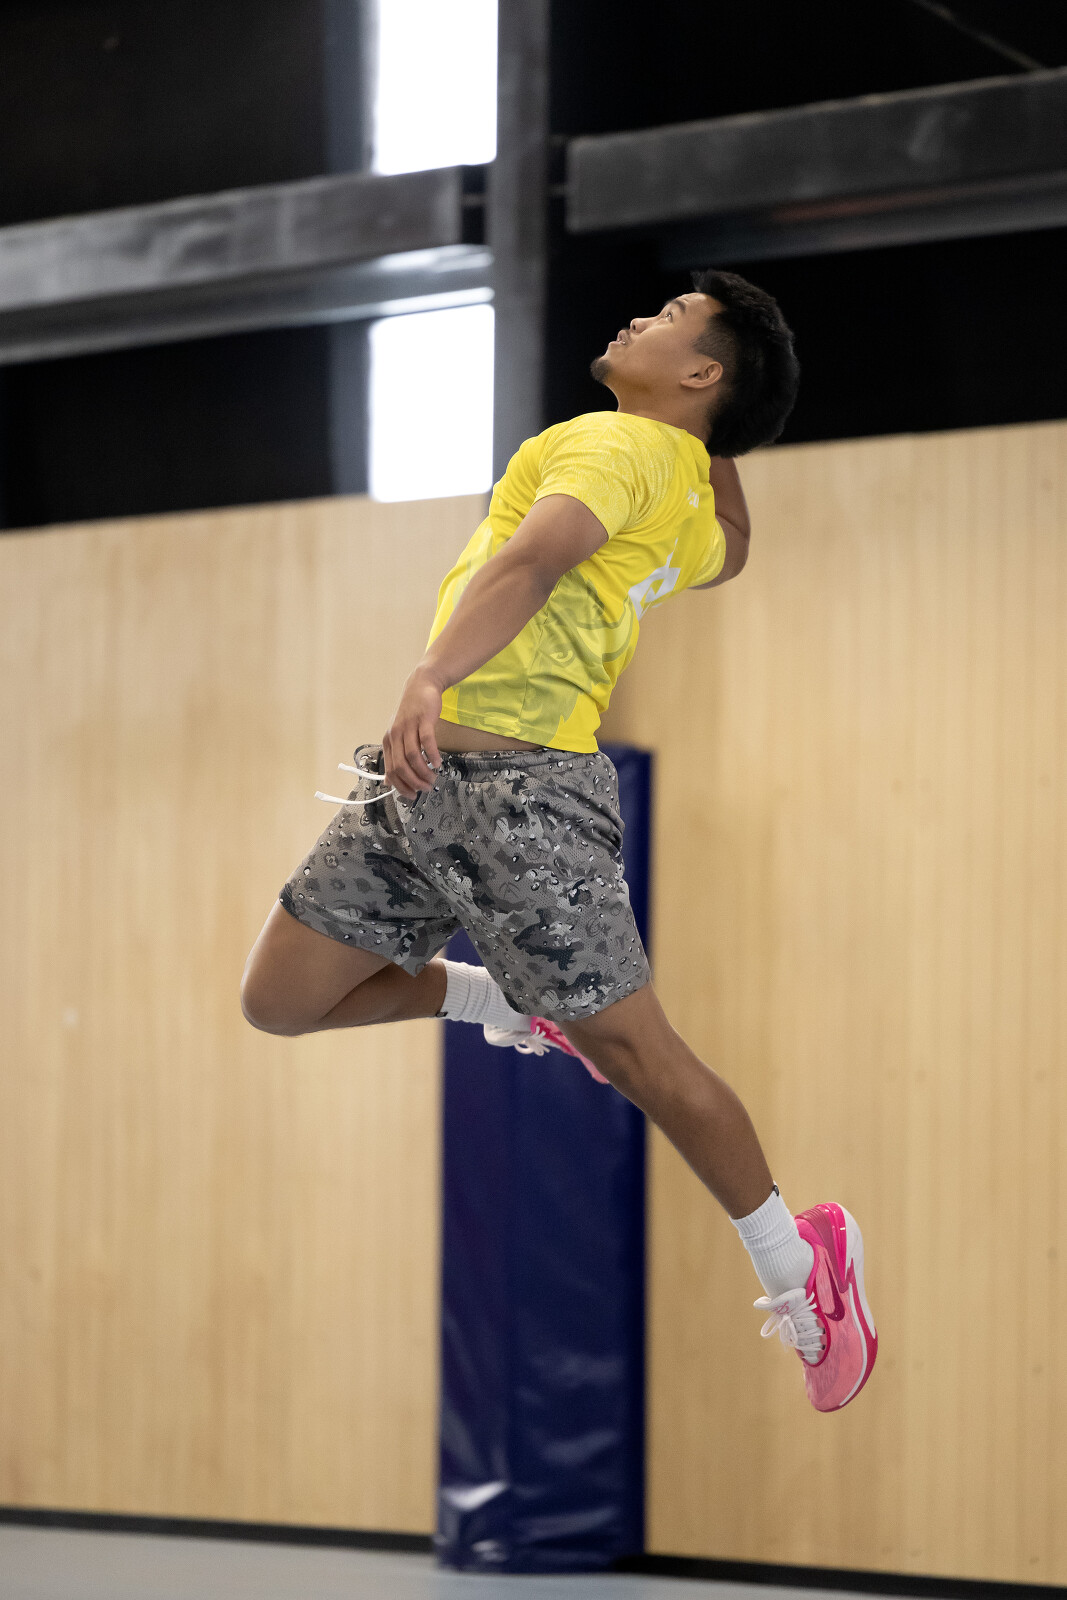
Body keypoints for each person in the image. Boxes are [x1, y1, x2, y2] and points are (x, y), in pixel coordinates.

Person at [240, 267, 878, 1413]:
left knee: (642, 1057)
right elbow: (735, 541)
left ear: (700, 373)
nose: (638, 316)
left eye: (671, 319)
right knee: (282, 997)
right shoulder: (679, 487)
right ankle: (502, 1003)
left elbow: (528, 561)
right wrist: (718, 433)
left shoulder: (611, 445)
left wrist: (430, 673)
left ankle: (801, 1265)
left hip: (520, 791)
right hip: (423, 787)